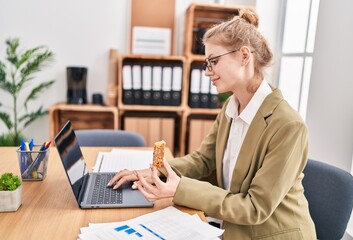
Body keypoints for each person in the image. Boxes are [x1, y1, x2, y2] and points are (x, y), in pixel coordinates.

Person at [108, 8, 316, 240]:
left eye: (214, 61)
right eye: (207, 63)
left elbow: (255, 208)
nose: (208, 72)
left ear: (244, 56)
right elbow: (203, 161)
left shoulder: (288, 126)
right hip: (228, 225)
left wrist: (179, 189)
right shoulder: (231, 107)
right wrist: (153, 172)